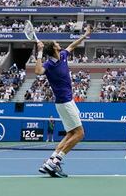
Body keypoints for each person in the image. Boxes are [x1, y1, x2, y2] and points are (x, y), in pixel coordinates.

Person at [35, 25, 92, 178]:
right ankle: (56, 162)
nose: (59, 44)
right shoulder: (48, 64)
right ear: (54, 48)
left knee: (70, 133)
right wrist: (40, 52)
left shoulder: (64, 55)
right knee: (79, 134)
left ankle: (50, 161)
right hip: (64, 102)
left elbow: (73, 45)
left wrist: (85, 35)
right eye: (56, 43)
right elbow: (38, 71)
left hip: (68, 102)